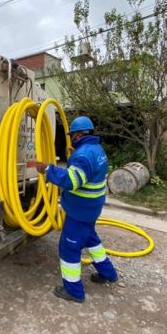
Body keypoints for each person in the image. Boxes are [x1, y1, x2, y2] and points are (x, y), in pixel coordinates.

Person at [35, 116, 118, 303]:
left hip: (79, 211)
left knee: (69, 248)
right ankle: (109, 273)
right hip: (91, 209)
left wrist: (48, 170)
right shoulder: (97, 150)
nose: (72, 138)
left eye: (73, 135)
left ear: (79, 134)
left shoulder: (83, 155)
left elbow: (71, 181)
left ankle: (73, 291)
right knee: (91, 240)